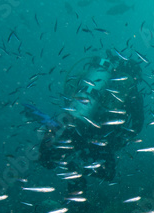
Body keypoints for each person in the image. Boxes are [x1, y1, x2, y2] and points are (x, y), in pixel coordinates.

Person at [29, 51, 145, 181]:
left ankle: (49, 133)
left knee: (49, 158)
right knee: (108, 172)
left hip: (78, 123)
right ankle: (75, 171)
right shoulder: (131, 92)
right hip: (101, 136)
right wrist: (120, 140)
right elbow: (137, 125)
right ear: (135, 77)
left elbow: (70, 94)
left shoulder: (100, 80)